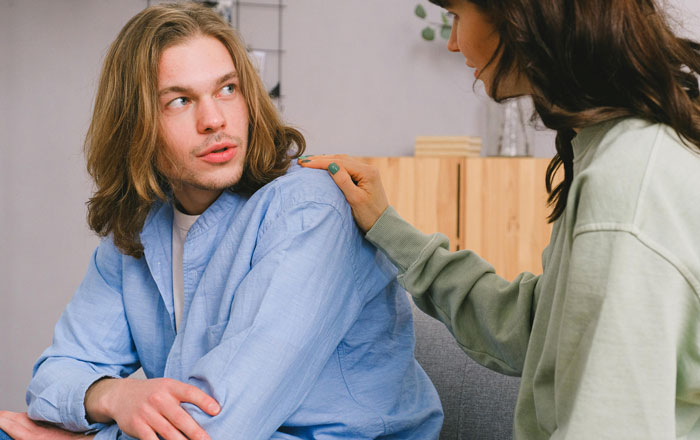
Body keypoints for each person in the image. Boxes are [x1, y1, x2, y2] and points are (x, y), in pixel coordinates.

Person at [0, 3, 443, 439]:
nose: (214, 120)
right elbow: (52, 380)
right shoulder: (136, 231)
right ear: (135, 124)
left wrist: (87, 436)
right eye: (179, 101)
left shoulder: (311, 208)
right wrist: (115, 396)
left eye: (227, 89)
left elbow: (220, 424)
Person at [299, 0, 700, 438]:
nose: (452, 43)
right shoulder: (613, 149)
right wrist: (388, 227)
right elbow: (539, 329)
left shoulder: (628, 184)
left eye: (455, 15)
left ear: (522, 14)